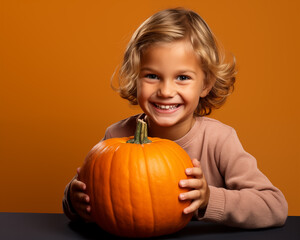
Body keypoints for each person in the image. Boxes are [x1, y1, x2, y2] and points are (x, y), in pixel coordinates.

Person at [63, 7, 288, 228]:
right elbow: (88, 200)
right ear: (136, 78)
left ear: (206, 84)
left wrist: (209, 198)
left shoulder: (219, 140)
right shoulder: (116, 137)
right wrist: (75, 202)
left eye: (182, 77)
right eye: (152, 76)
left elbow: (274, 207)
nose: (166, 91)